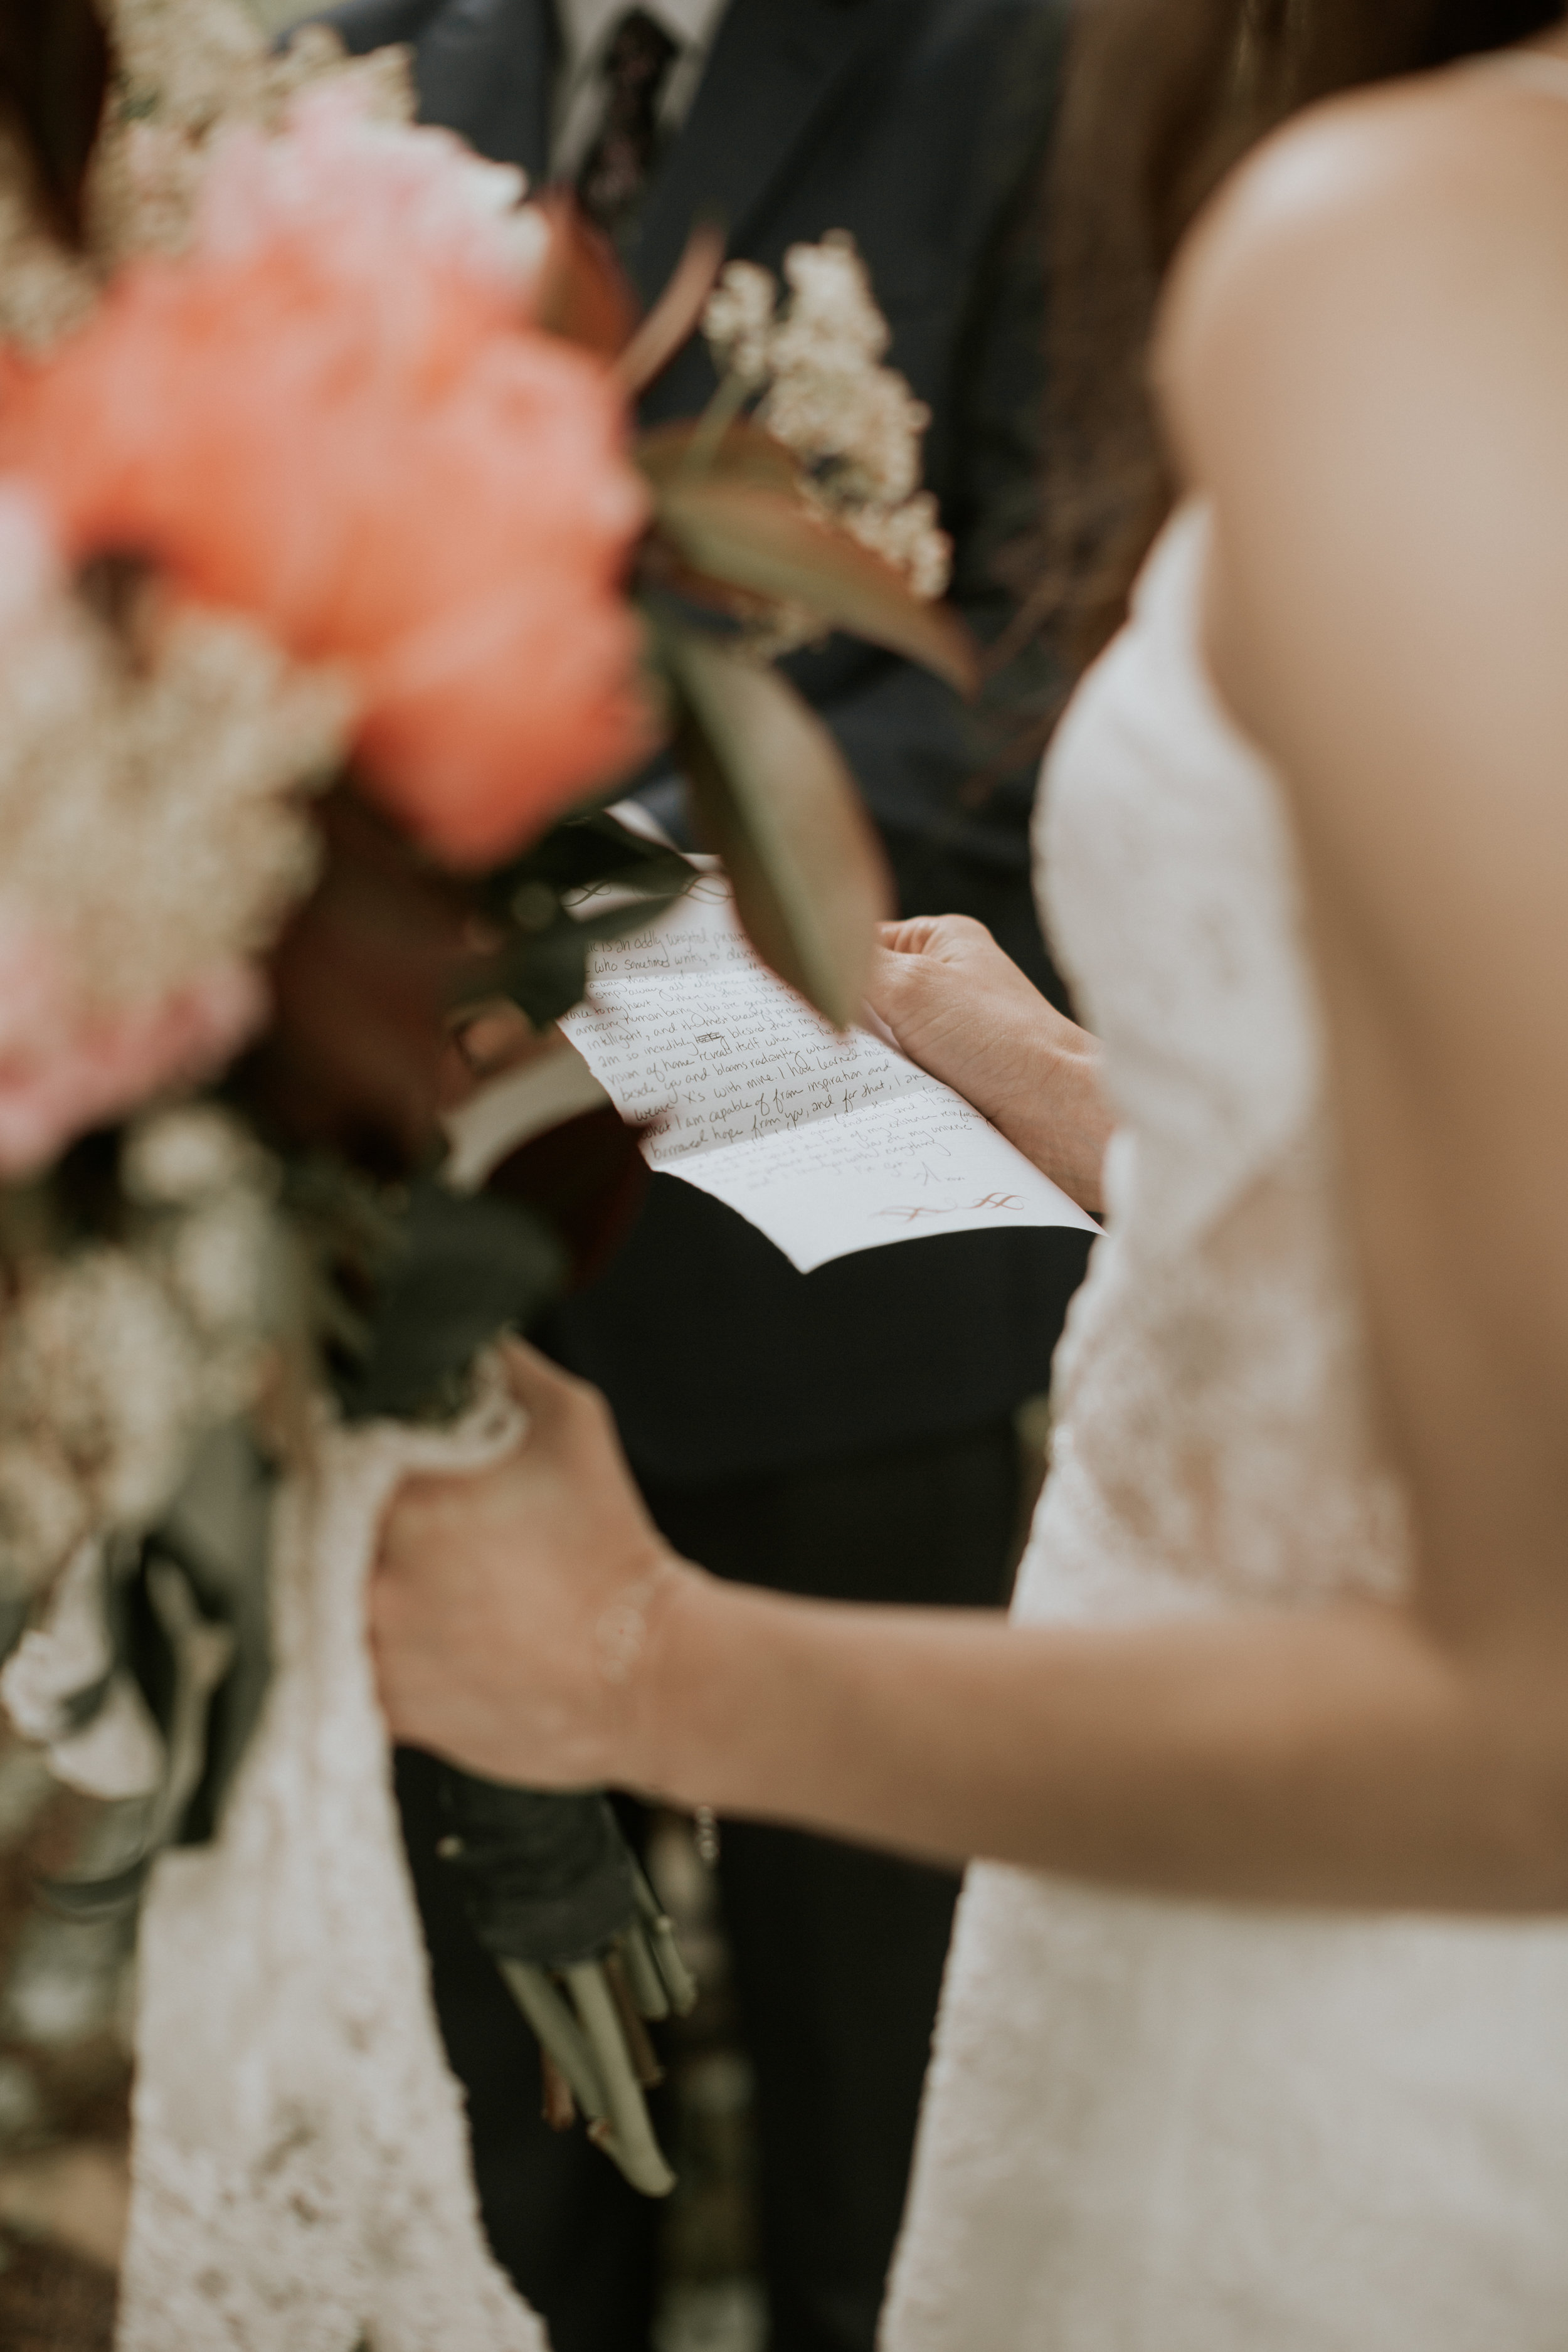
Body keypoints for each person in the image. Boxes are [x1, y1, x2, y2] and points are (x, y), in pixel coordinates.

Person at [373, 1, 1568, 2344]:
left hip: (1316, 1918)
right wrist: (1091, 1094)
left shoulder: (1388, 237)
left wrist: (643, 1665)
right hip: (1167, 1674)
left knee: (852, 2096)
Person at [295, 3, 1086, 2347]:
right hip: (444, 1294)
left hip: (848, 1275)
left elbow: (1033, 631)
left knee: (893, 2109)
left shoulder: (1002, 68)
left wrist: (609, 909)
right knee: (508, 2133)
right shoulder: (350, 67)